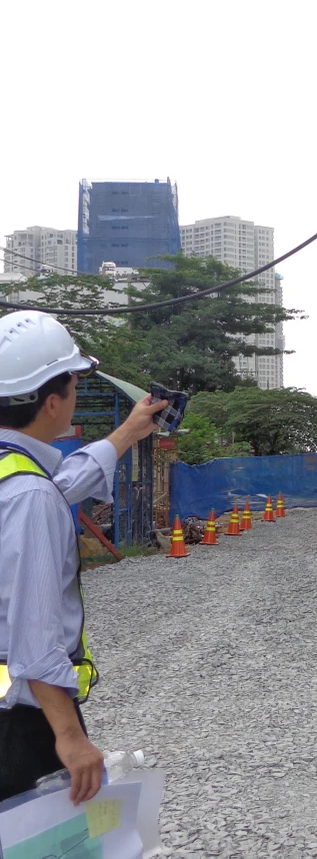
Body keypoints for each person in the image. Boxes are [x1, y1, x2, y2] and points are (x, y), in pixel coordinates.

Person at [0, 309, 166, 804]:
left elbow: (56, 486)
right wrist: (70, 736)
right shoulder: (29, 493)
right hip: (19, 721)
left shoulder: (17, 474)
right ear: (53, 403)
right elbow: (33, 636)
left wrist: (127, 433)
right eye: (74, 384)